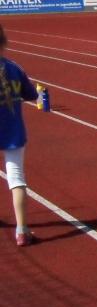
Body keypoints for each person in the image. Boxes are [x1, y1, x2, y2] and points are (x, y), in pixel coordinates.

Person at [0, 24, 39, 247]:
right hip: (13, 132)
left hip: (12, 132)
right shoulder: (14, 68)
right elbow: (31, 94)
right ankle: (22, 230)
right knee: (16, 179)